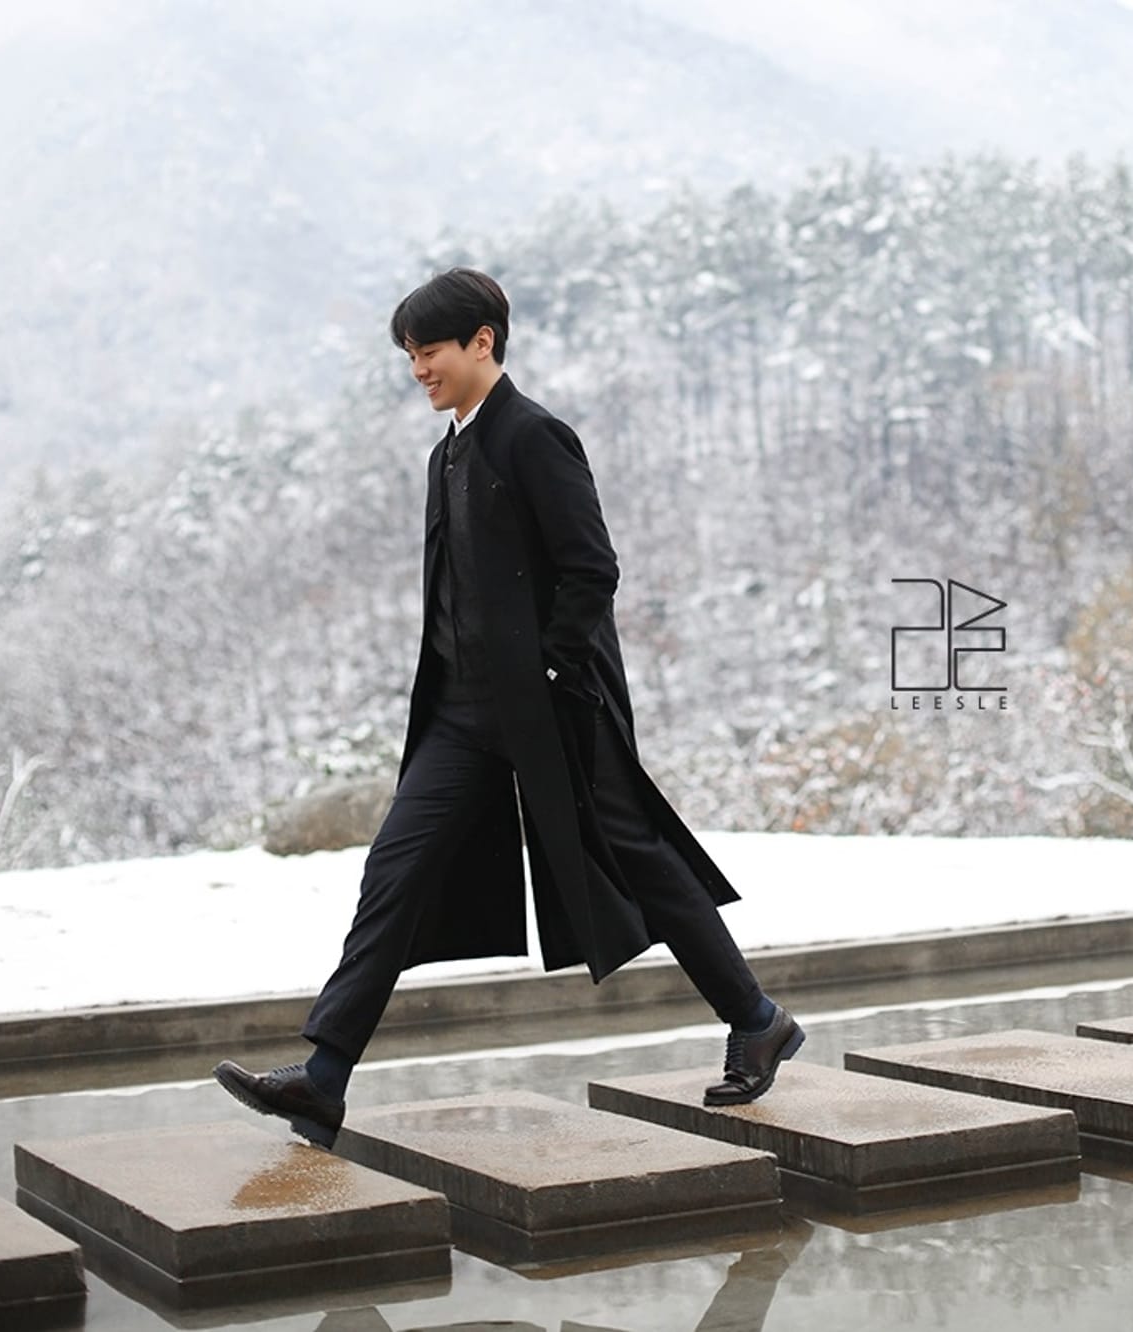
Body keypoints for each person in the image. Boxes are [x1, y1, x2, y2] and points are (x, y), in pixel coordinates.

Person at [213, 269, 803, 1148]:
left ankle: (756, 1017)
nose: (418, 369)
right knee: (395, 870)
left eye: (430, 352)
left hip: (552, 709)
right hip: (460, 718)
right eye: (410, 356)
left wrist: (559, 673)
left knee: (638, 862)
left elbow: (590, 567)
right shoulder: (445, 452)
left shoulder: (534, 437)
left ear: (483, 341)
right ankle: (324, 1078)